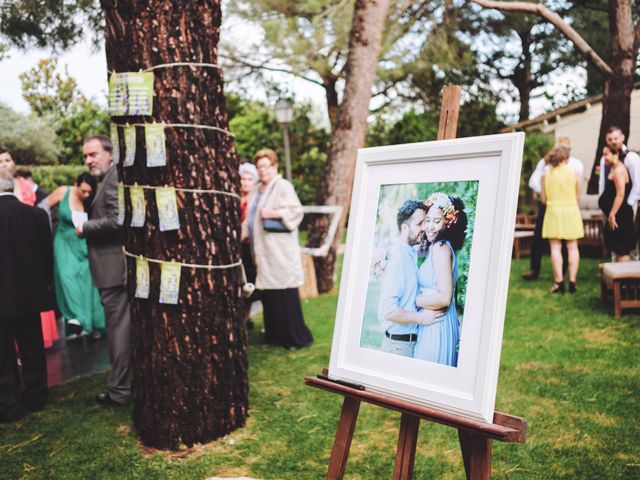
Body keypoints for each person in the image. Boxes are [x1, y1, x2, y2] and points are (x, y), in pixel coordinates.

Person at [77, 134, 131, 406]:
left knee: (118, 330)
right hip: (114, 269)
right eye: (86, 156)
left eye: (93, 154)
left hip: (114, 269)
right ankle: (122, 386)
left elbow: (117, 220)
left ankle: (120, 390)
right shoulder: (108, 179)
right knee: (120, 329)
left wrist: (84, 227)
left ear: (110, 154)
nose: (88, 161)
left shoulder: (113, 179)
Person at [244, 149, 312, 349]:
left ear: (274, 166)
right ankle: (274, 335)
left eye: (265, 166)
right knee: (269, 295)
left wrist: (274, 212)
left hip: (279, 250)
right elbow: (251, 216)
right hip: (262, 250)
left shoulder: (282, 186)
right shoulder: (257, 189)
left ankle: (294, 337)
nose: (262, 170)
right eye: (259, 167)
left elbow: (296, 211)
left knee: (284, 292)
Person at [0, 170, 54, 422]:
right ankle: (36, 396)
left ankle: (9, 403)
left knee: (3, 354)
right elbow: (46, 256)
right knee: (32, 346)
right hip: (30, 294)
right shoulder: (36, 215)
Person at [0, 151, 58, 348]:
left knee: (4, 362)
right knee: (33, 352)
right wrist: (45, 284)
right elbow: (46, 255)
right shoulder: (37, 215)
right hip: (31, 290)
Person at [43, 172, 106, 338]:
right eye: (83, 191)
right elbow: (42, 209)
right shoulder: (63, 191)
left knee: (87, 282)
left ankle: (93, 323)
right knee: (67, 278)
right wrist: (46, 232)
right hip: (64, 243)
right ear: (76, 185)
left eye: (89, 192)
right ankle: (77, 318)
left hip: (83, 244)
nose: (86, 195)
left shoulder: (91, 200)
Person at [379, 199, 444, 358]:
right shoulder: (399, 259)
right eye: (420, 223)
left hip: (407, 344)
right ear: (405, 228)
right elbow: (390, 311)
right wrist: (422, 318)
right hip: (398, 348)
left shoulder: (410, 252)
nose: (425, 227)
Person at [413, 193, 467, 367]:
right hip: (436, 320)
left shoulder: (440, 248)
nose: (430, 227)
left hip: (437, 324)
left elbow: (445, 298)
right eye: (428, 220)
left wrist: (414, 300)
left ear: (448, 222)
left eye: (437, 221)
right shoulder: (442, 247)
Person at [522, 137, 584, 280]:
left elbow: (576, 187)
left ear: (570, 148)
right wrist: (549, 194)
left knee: (564, 242)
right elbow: (533, 181)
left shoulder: (576, 164)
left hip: (565, 206)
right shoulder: (545, 162)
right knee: (539, 238)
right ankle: (535, 269)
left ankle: (562, 274)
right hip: (549, 206)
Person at [541, 146, 584, 294]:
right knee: (572, 247)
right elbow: (577, 196)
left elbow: (543, 199)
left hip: (553, 211)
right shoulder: (576, 173)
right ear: (566, 157)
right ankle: (572, 281)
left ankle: (558, 282)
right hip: (571, 210)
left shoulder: (545, 175)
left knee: (555, 248)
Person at [597, 126, 640, 256]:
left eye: (616, 138)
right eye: (610, 139)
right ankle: (615, 271)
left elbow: (638, 183)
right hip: (610, 208)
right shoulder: (605, 158)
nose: (613, 141)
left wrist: (629, 204)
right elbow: (603, 183)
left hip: (624, 207)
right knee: (613, 241)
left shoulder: (631, 157)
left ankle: (628, 272)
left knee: (625, 243)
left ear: (622, 137)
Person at [239, 162, 259, 327]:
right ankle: (242, 316)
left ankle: (248, 316)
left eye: (249, 179)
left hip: (250, 245)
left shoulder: (256, 198)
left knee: (252, 281)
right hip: (237, 246)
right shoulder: (235, 197)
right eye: (242, 178)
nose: (245, 182)